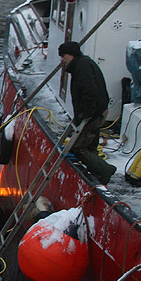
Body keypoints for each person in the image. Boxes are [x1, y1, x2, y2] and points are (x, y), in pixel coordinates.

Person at [58, 41, 116, 184]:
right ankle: (96, 176)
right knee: (90, 145)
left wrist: (87, 113)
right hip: (97, 112)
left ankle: (105, 170)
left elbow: (90, 90)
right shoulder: (84, 63)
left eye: (63, 55)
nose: (61, 59)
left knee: (78, 148)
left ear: (71, 55)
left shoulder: (82, 67)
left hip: (92, 115)